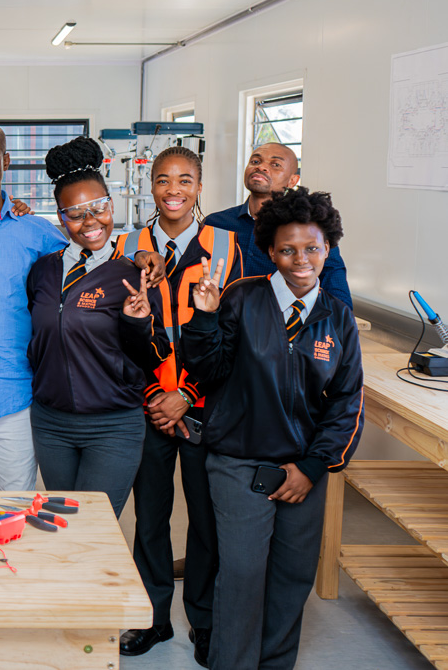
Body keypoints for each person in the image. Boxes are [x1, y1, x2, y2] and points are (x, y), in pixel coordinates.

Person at [0, 122, 163, 491]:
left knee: (15, 508)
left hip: (21, 399)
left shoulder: (37, 233)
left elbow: (88, 249)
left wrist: (137, 254)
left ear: (5, 161)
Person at [182, 187, 364, 670]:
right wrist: (203, 318)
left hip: (303, 471)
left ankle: (275, 664)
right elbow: (206, 371)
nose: (300, 259)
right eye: (287, 249)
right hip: (238, 464)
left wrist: (310, 466)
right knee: (241, 577)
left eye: (311, 248)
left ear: (328, 249)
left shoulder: (338, 319)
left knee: (291, 578)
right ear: (270, 251)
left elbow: (346, 404)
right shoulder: (242, 298)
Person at [115, 147, 242, 666]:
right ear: (150, 186)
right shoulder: (127, 245)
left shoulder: (228, 246)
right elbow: (119, 332)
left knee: (205, 522)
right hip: (148, 407)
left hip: (201, 404)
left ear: (199, 186)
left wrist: (186, 394)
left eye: (184, 180)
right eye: (163, 179)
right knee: (150, 518)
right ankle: (154, 619)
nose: (173, 189)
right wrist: (154, 397)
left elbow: (232, 331)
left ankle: (204, 621)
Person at [25, 135, 168, 516]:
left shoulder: (132, 271)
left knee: (93, 525)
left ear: (111, 204)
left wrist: (138, 323)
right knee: (59, 520)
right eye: (76, 213)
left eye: (98, 207)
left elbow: (156, 354)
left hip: (113, 424)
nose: (90, 222)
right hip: (51, 422)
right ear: (61, 218)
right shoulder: (43, 270)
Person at [204, 143, 351, 307]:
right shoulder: (215, 224)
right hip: (220, 325)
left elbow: (338, 298)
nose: (262, 167)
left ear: (292, 180)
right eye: (255, 161)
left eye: (275, 165)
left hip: (282, 328)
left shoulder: (311, 231)